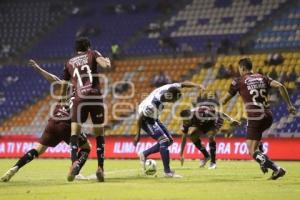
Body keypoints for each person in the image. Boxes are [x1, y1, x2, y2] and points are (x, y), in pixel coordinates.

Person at [1, 60, 91, 182]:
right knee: (86, 147)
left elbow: (53, 79)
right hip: (66, 125)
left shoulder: (69, 87)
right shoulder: (85, 94)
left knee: (38, 149)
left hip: (52, 123)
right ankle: (75, 170)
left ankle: (14, 168)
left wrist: (38, 68)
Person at [221, 58, 296, 180]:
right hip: (268, 116)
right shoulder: (263, 77)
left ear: (243, 68)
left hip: (255, 117)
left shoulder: (239, 81)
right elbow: (281, 86)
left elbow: (224, 101)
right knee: (256, 141)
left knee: (251, 151)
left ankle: (276, 168)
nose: (239, 71)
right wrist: (289, 105)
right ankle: (263, 160)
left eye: (239, 69)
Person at [60, 37, 111, 182]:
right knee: (99, 132)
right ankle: (100, 168)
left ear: (76, 49)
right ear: (88, 46)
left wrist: (62, 100)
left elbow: (64, 84)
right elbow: (105, 66)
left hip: (79, 98)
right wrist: (107, 61)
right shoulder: (93, 54)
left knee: (75, 131)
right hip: (94, 96)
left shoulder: (69, 62)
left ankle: (74, 163)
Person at [133, 82, 204, 177]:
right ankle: (167, 172)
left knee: (169, 141)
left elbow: (182, 84)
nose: (175, 101)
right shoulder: (152, 104)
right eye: (175, 99)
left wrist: (197, 86)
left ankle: (144, 154)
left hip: (154, 117)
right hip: (146, 120)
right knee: (164, 141)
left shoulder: (170, 88)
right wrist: (138, 134)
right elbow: (140, 117)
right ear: (170, 97)